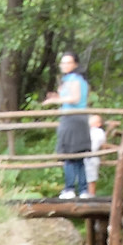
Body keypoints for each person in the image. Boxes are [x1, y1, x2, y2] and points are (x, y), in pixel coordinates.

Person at [41, 52, 93, 198]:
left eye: (68, 63)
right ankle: (83, 190)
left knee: (68, 155)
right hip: (80, 119)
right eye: (62, 63)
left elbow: (75, 98)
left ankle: (69, 189)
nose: (64, 66)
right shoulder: (78, 79)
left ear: (75, 64)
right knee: (79, 156)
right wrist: (58, 97)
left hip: (71, 119)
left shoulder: (74, 79)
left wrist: (55, 101)